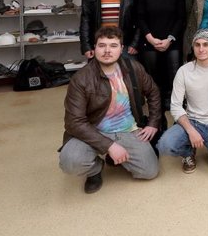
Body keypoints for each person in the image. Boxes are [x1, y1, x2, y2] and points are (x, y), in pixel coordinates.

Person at [59, 26, 161, 194]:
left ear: (121, 49)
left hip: (128, 129)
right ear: (94, 48)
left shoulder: (133, 68)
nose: (107, 50)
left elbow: (153, 92)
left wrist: (153, 123)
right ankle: (95, 170)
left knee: (149, 171)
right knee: (70, 162)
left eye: (113, 45)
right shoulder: (81, 79)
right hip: (93, 132)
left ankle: (118, 158)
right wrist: (110, 146)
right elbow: (73, 122)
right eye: (102, 45)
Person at [157, 29, 208, 178]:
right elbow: (175, 106)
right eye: (197, 45)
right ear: (193, 47)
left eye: (206, 44)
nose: (201, 49)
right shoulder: (184, 71)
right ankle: (188, 152)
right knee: (164, 146)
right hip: (192, 121)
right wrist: (191, 131)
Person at [137, 0, 186, 111]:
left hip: (172, 41)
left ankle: (173, 102)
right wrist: (151, 39)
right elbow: (140, 18)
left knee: (174, 74)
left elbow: (181, 19)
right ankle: (156, 101)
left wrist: (169, 39)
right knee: (153, 75)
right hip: (149, 41)